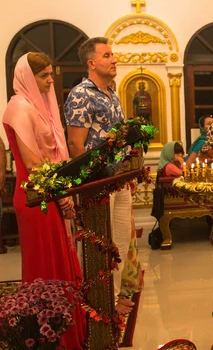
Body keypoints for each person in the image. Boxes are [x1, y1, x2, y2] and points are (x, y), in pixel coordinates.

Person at [2, 52, 86, 348]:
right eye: (44, 76)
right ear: (27, 77)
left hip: (50, 193)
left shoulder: (39, 107)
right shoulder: (19, 107)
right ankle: (49, 338)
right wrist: (63, 195)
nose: (51, 81)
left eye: (51, 74)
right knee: (45, 269)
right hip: (35, 198)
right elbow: (34, 163)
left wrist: (63, 193)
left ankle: (67, 331)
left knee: (60, 263)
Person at [64, 37, 139, 315]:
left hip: (118, 179)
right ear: (92, 62)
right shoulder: (81, 94)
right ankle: (96, 304)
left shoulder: (111, 92)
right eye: (107, 55)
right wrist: (88, 181)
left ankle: (115, 296)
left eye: (113, 55)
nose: (114, 59)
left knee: (118, 241)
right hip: (98, 183)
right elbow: (75, 144)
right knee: (97, 245)